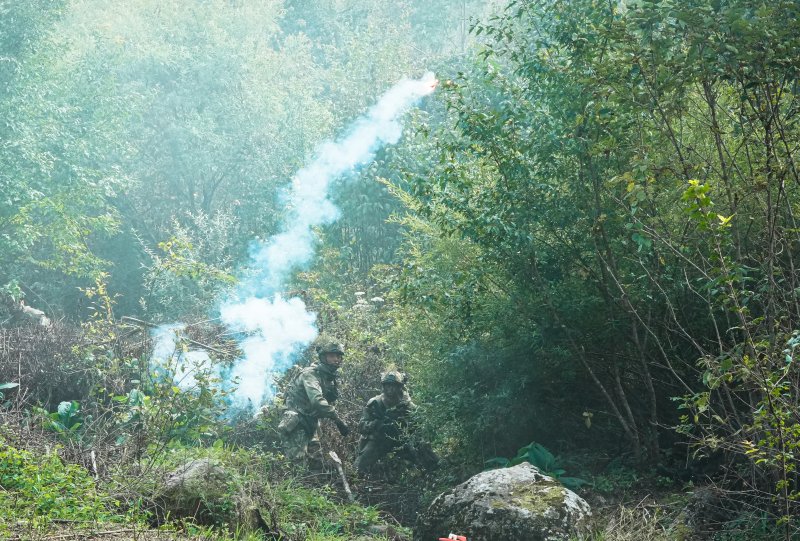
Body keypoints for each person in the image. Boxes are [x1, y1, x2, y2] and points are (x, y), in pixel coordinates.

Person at [279, 339, 350, 467]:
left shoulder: (328, 377)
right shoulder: (310, 374)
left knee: (316, 461)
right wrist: (338, 420)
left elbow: (329, 399)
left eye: (339, 356)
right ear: (323, 357)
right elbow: (317, 401)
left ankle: (314, 485)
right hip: (297, 420)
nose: (336, 359)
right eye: (332, 356)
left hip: (311, 421)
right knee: (297, 464)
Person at [354, 370, 438, 474]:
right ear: (383, 386)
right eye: (387, 385)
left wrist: (406, 423)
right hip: (379, 441)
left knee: (427, 455)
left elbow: (421, 423)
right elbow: (361, 427)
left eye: (393, 385)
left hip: (401, 441)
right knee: (358, 467)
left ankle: (435, 474)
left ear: (400, 387)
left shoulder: (407, 405)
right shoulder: (375, 403)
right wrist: (377, 424)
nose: (390, 389)